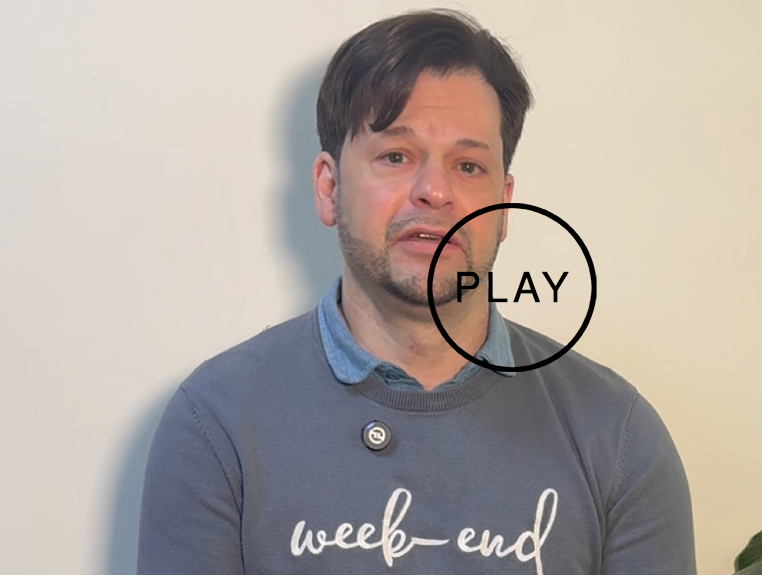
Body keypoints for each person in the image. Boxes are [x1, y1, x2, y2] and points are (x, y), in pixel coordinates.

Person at [137, 9, 696, 575]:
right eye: (396, 156)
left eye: (469, 166)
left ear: (505, 207)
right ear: (329, 188)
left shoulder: (618, 437)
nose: (435, 191)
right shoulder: (216, 426)